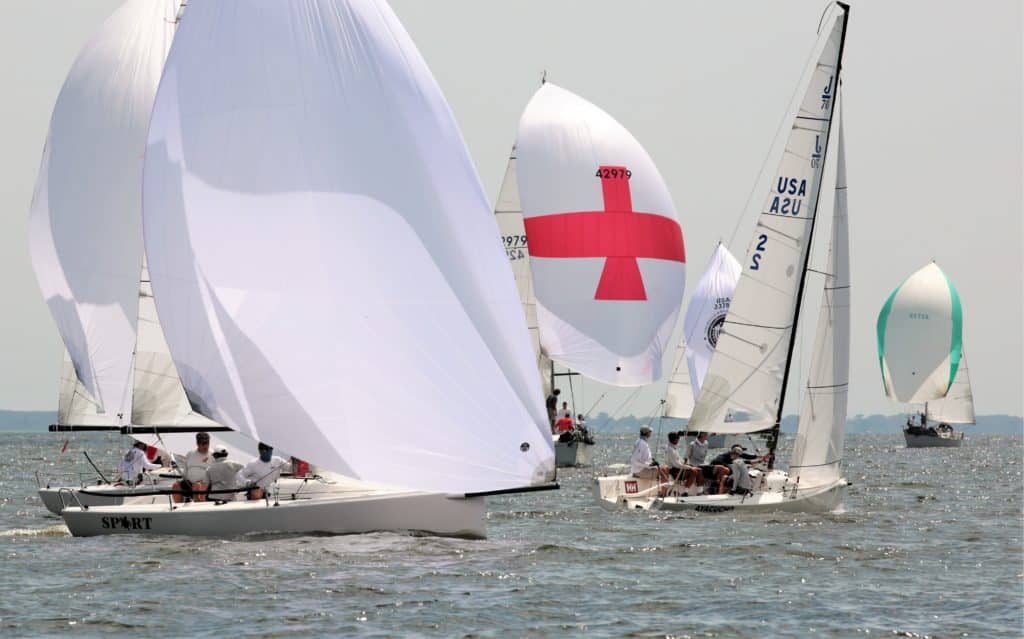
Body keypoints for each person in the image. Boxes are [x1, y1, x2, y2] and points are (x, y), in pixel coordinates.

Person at [172, 431, 213, 503]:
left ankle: (198, 509)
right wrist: (181, 480)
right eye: (203, 444)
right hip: (190, 483)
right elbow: (186, 470)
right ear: (197, 444)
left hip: (205, 484)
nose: (205, 446)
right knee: (175, 486)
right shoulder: (190, 454)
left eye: (207, 443)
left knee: (196, 486)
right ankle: (179, 508)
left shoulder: (212, 455)